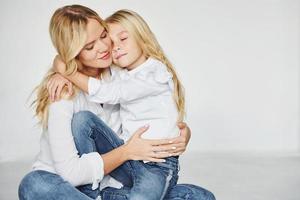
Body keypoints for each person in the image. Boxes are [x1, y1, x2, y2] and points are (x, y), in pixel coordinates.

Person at [18, 4, 215, 200]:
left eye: (103, 36)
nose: (104, 47)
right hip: (66, 187)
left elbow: (152, 103)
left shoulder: (121, 72)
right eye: (90, 46)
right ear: (74, 52)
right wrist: (127, 151)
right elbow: (71, 173)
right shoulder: (62, 93)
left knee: (200, 196)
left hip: (113, 183)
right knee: (34, 184)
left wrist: (180, 133)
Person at [52, 9, 187, 200]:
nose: (113, 48)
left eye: (123, 39)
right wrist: (61, 69)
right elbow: (73, 57)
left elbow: (111, 93)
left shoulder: (154, 73)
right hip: (129, 159)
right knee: (82, 120)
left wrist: (67, 72)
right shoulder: (121, 71)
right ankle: (92, 195)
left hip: (157, 164)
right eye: (112, 42)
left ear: (142, 37)